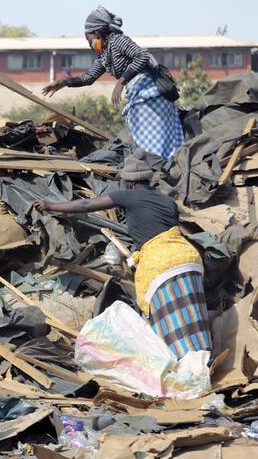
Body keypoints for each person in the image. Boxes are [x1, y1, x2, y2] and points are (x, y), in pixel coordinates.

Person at [34, 150, 211, 359]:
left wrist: (50, 206)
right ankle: (203, 358)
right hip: (188, 257)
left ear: (129, 182)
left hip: (161, 263)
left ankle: (179, 362)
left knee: (166, 317)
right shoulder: (167, 201)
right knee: (191, 313)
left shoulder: (126, 195)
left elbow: (85, 204)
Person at [42, 6, 184, 161]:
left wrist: (122, 81)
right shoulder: (105, 54)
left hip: (151, 96)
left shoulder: (118, 41)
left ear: (96, 33)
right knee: (146, 144)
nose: (89, 42)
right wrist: (63, 83)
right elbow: (89, 77)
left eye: (88, 37)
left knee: (153, 144)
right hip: (140, 97)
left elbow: (142, 56)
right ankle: (156, 171)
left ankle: (158, 172)